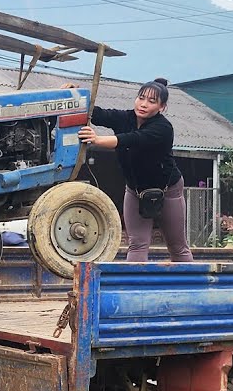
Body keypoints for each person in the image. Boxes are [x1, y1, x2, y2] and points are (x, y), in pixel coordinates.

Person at [76, 78, 193, 263]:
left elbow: (132, 139)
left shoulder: (162, 128)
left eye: (152, 101)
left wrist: (97, 140)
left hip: (168, 191)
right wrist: (75, 96)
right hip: (135, 191)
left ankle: (191, 289)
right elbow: (97, 114)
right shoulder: (125, 118)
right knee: (137, 244)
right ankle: (134, 290)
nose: (144, 104)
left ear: (162, 107)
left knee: (178, 247)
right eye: (141, 98)